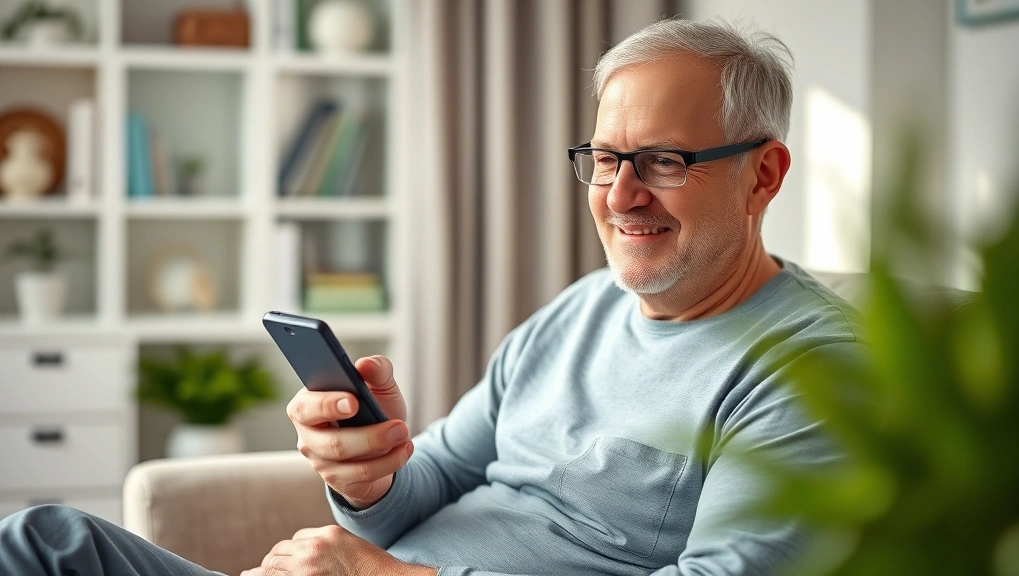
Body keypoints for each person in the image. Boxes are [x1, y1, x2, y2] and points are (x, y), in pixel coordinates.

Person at [0, 18, 866, 576]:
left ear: (764, 175)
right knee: (43, 539)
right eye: (605, 159)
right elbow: (439, 479)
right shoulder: (580, 310)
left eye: (665, 162)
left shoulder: (812, 369)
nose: (620, 194)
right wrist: (373, 472)